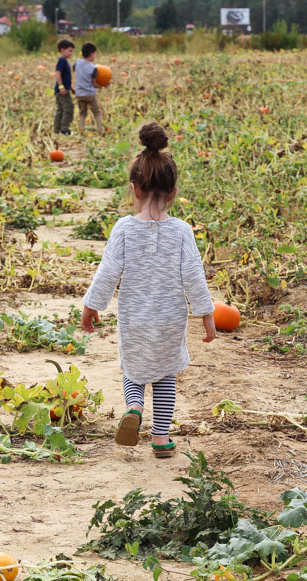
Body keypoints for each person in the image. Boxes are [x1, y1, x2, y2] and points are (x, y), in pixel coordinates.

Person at [81, 122, 216, 459]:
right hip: (170, 320)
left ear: (134, 189)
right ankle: (160, 438)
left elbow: (108, 270)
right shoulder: (182, 231)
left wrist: (92, 304)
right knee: (166, 376)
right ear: (173, 192)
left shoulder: (124, 229)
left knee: (134, 370)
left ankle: (134, 407)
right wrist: (206, 314)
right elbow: (194, 275)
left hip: (135, 319)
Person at [74, 41, 104, 136]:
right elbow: (94, 84)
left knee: (82, 113)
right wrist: (102, 86)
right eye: (95, 54)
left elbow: (74, 70)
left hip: (79, 94)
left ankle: (81, 130)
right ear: (91, 54)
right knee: (97, 112)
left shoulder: (77, 63)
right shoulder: (93, 68)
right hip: (90, 94)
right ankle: (100, 131)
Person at [54, 38, 74, 136]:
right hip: (62, 91)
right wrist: (61, 87)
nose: (71, 53)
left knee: (60, 110)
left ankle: (57, 130)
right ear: (62, 50)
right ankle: (64, 129)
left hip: (63, 89)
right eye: (69, 51)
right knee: (68, 108)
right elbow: (58, 74)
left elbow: (65, 77)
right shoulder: (62, 61)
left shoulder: (64, 61)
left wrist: (71, 88)